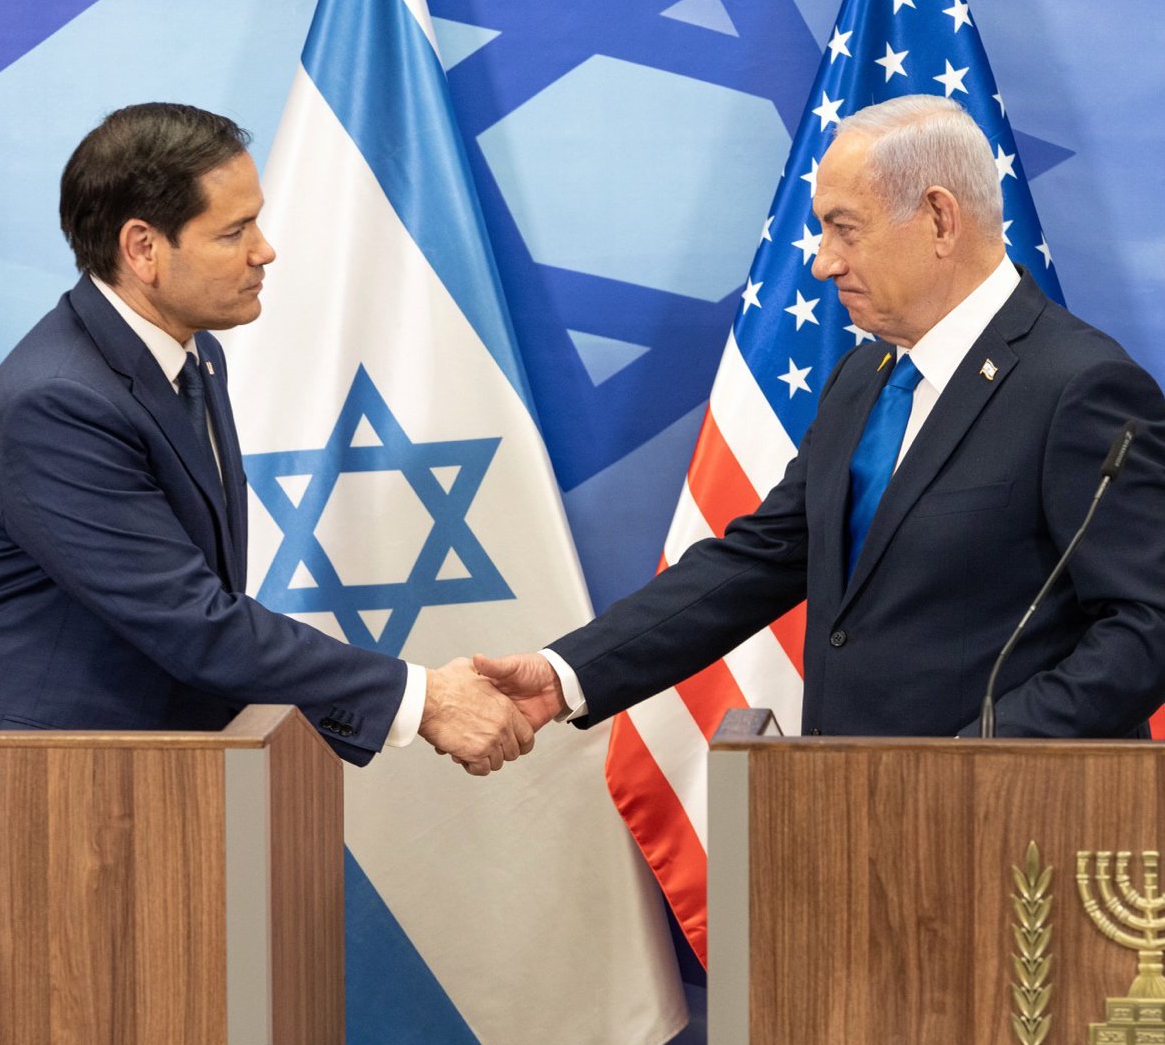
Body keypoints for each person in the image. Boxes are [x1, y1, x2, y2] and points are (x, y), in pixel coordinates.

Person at [477, 96, 1165, 742]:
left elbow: (1148, 625)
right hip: (841, 816)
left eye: (844, 228)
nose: (820, 262)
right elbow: (760, 560)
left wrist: (979, 758)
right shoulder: (862, 381)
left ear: (939, 219)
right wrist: (564, 676)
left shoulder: (1079, 386)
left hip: (1012, 830)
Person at [0, 102, 530, 774]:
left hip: (156, 766)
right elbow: (190, 619)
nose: (265, 250)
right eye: (234, 231)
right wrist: (422, 698)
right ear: (143, 249)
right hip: (28, 777)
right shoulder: (57, 400)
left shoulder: (195, 355)